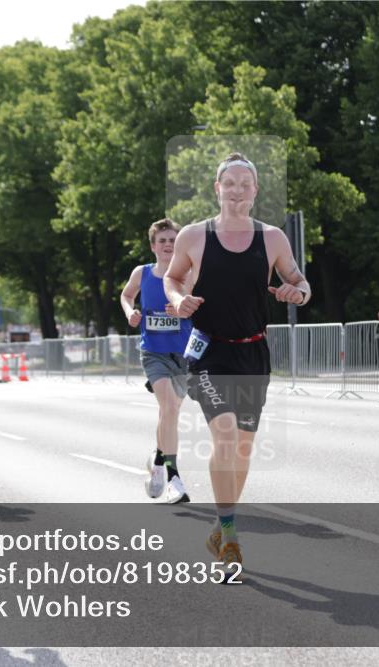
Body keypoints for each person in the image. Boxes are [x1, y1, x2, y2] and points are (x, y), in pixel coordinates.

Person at [165, 153, 310, 570]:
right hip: (210, 351)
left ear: (255, 190)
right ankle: (230, 538)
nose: (237, 190)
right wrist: (178, 299)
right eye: (230, 183)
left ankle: (220, 523)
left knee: (243, 447)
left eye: (246, 183)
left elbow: (300, 282)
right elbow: (172, 278)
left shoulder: (273, 239)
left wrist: (297, 293)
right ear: (217, 188)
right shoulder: (194, 236)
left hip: (253, 352)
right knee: (225, 435)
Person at [120, 218, 193, 504]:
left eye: (173, 240)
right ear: (153, 246)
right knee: (169, 407)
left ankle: (159, 459)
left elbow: (205, 307)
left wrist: (184, 309)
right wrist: (130, 312)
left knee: (169, 414)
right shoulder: (142, 273)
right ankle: (174, 478)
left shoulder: (188, 274)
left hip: (184, 354)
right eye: (162, 241)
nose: (168, 245)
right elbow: (126, 295)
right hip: (153, 352)